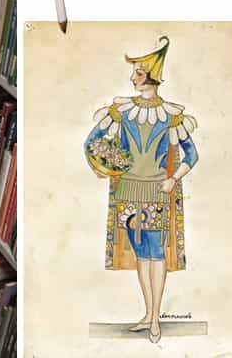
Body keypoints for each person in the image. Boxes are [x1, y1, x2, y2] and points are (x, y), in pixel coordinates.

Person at [84, 36, 198, 344]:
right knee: (140, 253)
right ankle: (148, 315)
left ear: (151, 76)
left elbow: (192, 156)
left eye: (137, 73)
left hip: (156, 192)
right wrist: (100, 165)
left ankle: (156, 317)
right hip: (128, 192)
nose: (132, 78)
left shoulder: (172, 116)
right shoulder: (121, 111)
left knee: (155, 252)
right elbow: (92, 141)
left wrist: (174, 179)